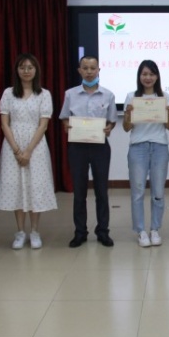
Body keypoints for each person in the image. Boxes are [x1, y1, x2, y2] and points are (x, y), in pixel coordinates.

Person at [0, 53, 57, 250]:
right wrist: (16, 149)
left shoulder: (44, 94)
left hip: (36, 146)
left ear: (36, 70)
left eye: (30, 67)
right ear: (17, 71)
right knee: (17, 187)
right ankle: (20, 231)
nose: (26, 71)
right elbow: (4, 124)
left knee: (34, 187)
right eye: (22, 67)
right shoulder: (8, 93)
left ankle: (35, 231)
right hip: (12, 144)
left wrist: (28, 151)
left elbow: (43, 125)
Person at [59, 55, 118, 248]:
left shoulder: (108, 95)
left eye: (93, 68)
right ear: (79, 71)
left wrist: (109, 128)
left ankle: (103, 231)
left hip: (100, 147)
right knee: (79, 192)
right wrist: (67, 125)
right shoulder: (70, 94)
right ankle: (80, 232)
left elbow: (111, 121)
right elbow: (64, 117)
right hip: (77, 147)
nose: (89, 71)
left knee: (102, 191)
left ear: (99, 70)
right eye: (85, 68)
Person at [122, 60, 169, 247]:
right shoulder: (131, 97)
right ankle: (141, 231)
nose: (148, 77)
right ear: (139, 76)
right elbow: (126, 128)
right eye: (144, 74)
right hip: (138, 147)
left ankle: (155, 229)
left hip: (160, 146)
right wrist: (128, 115)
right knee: (137, 191)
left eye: (151, 74)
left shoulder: (165, 97)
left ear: (157, 76)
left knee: (158, 191)